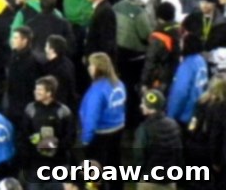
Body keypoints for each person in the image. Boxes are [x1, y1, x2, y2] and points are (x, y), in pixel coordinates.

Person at [20, 76, 75, 190]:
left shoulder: (63, 111)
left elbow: (70, 137)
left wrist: (54, 147)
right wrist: (34, 146)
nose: (36, 92)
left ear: (49, 93)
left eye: (40, 90)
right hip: (36, 164)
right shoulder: (30, 109)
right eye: (36, 89)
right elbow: (24, 134)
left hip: (58, 163)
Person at [80, 53, 126, 184]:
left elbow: (91, 118)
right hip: (117, 130)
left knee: (95, 172)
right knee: (114, 165)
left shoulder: (96, 91)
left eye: (91, 65)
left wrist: (86, 140)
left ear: (97, 68)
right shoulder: (119, 84)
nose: (88, 68)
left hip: (100, 135)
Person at [135, 90, 183, 190]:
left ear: (149, 107)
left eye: (143, 103)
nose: (141, 105)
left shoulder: (144, 129)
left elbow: (139, 156)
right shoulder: (173, 124)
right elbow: (179, 153)